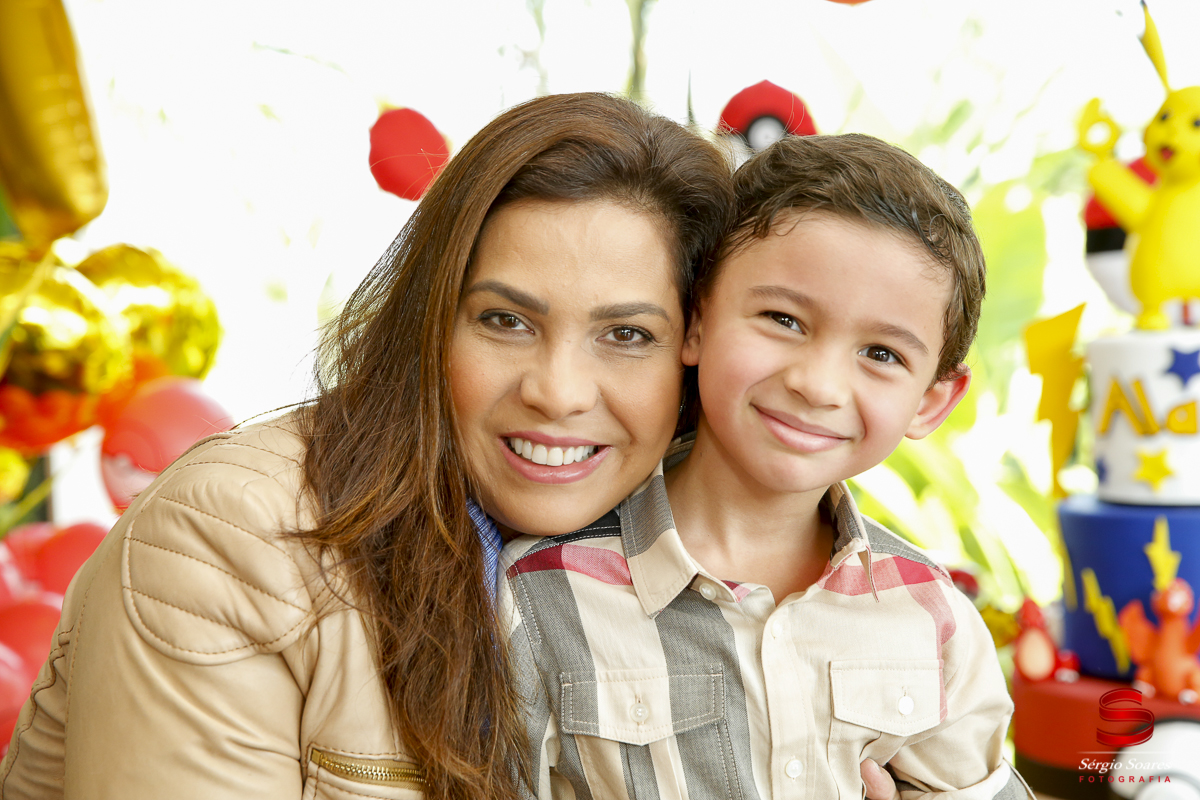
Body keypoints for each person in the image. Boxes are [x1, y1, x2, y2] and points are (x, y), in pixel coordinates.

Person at [0, 92, 735, 800]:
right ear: (429, 323)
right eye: (506, 321)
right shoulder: (229, 544)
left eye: (628, 335)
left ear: (695, 357)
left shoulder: (704, 564)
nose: (558, 390)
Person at [501, 133, 1033, 799]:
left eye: (881, 354)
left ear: (931, 401)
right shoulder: (540, 594)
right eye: (783, 319)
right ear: (695, 320)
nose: (819, 384)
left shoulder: (935, 620)